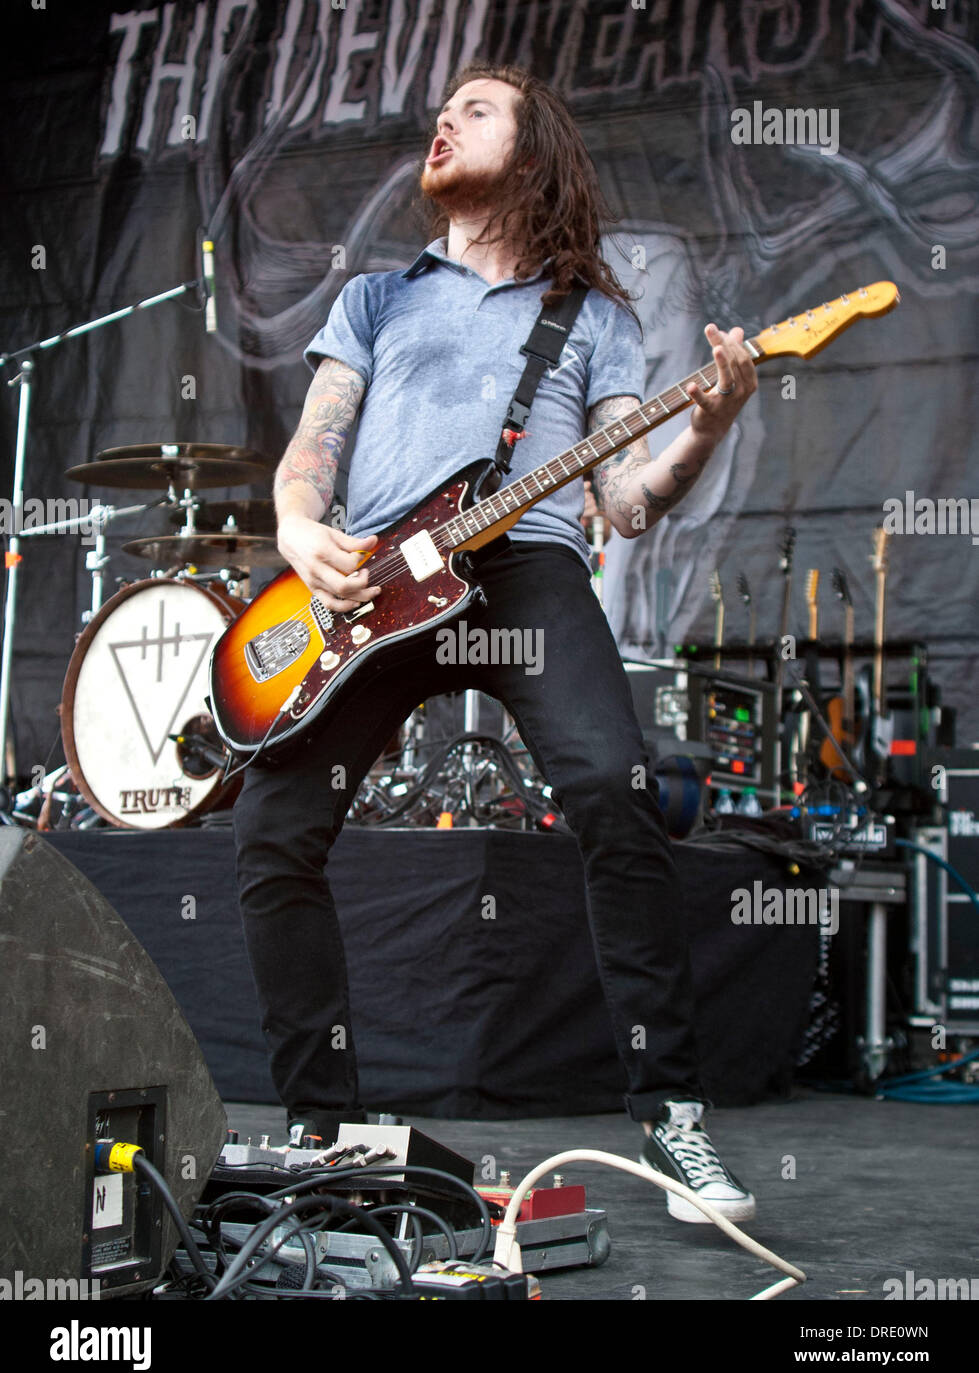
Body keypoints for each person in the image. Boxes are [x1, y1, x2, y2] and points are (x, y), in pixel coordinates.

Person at [233, 63, 759, 1224]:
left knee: (617, 795)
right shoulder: (377, 297)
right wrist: (298, 527)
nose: (442, 121)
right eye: (443, 109)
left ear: (529, 153)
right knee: (273, 827)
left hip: (522, 570)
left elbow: (623, 499)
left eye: (473, 109)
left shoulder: (597, 320)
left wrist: (707, 425)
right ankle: (319, 1128)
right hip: (372, 583)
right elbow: (313, 444)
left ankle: (671, 1119)